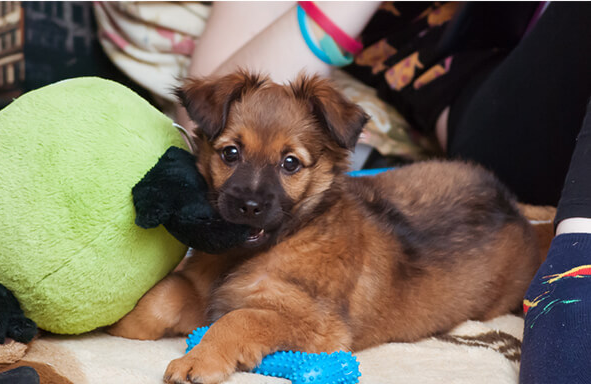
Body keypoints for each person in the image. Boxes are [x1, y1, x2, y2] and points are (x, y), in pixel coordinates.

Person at [179, 2, 591, 383]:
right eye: (232, 155)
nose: (252, 193)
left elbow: (317, 324)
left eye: (290, 165)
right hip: (496, 121)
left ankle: (576, 263)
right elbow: (209, 116)